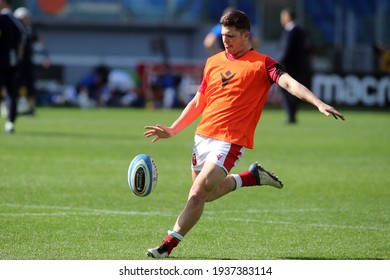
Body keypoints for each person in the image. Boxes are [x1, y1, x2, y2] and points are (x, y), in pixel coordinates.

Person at [144, 10, 344, 259]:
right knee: (206, 194)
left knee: (197, 194)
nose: (225, 41)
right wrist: (173, 129)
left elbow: (290, 83)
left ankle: (166, 247)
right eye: (223, 35)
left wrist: (317, 102)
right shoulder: (213, 61)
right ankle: (251, 177)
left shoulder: (263, 64)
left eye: (230, 36)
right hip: (203, 136)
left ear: (246, 35)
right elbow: (199, 100)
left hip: (230, 140)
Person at [275, 8, 312, 124]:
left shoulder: (292, 31)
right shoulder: (301, 30)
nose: (281, 19)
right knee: (293, 89)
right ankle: (292, 114)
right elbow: (308, 48)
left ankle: (291, 115)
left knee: (286, 88)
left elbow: (285, 50)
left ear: (288, 17)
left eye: (282, 16)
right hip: (299, 66)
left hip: (288, 66)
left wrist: (277, 62)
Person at [14, 7, 51, 116]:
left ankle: (30, 109)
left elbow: (37, 45)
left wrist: (45, 56)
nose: (27, 19)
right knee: (14, 86)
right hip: (15, 63)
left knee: (31, 86)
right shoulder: (13, 29)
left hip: (27, 62)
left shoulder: (30, 30)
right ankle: (12, 108)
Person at [0, 0, 25, 133]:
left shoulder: (2, 18)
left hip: (1, 62)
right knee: (11, 94)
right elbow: (21, 44)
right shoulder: (17, 22)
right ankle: (10, 122)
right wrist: (18, 63)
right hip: (13, 63)